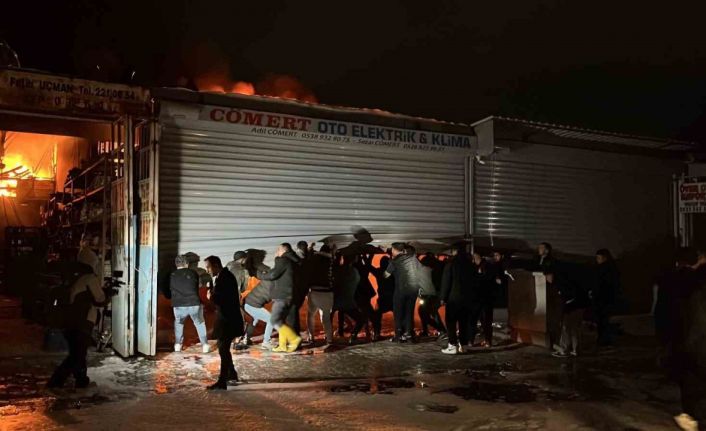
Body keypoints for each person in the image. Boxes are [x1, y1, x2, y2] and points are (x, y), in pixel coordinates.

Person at [47, 250, 107, 389]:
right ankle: (55, 383)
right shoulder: (89, 278)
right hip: (82, 321)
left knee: (78, 353)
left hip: (68, 321)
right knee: (76, 355)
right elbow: (100, 299)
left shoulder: (71, 275)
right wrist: (108, 293)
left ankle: (81, 380)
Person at [204, 256, 243, 390]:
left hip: (228, 320)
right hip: (227, 319)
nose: (207, 270)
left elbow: (223, 300)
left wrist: (211, 296)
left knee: (223, 350)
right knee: (223, 349)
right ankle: (231, 374)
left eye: (208, 267)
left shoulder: (225, 278)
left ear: (216, 265)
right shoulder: (223, 276)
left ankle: (222, 381)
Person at [258, 243, 302, 353]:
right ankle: (282, 345)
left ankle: (293, 339)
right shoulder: (295, 261)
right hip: (291, 295)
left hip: (282, 296)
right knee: (282, 321)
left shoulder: (282, 260)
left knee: (275, 320)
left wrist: (260, 275)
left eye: (278, 250)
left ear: (283, 250)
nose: (276, 252)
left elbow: (273, 275)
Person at [168, 255, 209, 353]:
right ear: (187, 263)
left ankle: (177, 345)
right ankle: (205, 345)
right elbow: (199, 286)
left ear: (176, 264)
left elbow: (167, 290)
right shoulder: (193, 273)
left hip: (178, 305)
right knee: (199, 323)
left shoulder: (171, 274)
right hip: (193, 303)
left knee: (179, 323)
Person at [546, 264, 589, 358]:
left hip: (574, 307)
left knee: (566, 327)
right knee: (574, 328)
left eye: (547, 275)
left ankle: (564, 350)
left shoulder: (560, 283)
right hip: (579, 305)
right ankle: (576, 349)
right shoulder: (564, 279)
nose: (546, 278)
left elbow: (567, 297)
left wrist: (564, 309)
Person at [440, 243, 474, 354]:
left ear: (454, 251)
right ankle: (463, 345)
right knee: (464, 323)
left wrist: (443, 297)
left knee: (451, 322)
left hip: (453, 298)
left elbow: (446, 282)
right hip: (467, 299)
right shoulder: (470, 264)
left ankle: (452, 345)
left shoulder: (451, 264)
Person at [385, 243, 422, 342]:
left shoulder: (395, 260)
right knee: (409, 312)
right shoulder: (415, 261)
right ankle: (408, 334)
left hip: (400, 291)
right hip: (413, 291)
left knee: (398, 313)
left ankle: (398, 335)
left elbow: (386, 275)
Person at [304, 244, 335, 345]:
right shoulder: (331, 261)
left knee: (311, 315)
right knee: (326, 317)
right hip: (328, 293)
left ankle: (311, 337)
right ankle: (329, 339)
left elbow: (308, 263)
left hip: (315, 291)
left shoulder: (315, 259)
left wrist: (310, 249)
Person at [333, 254, 367, 344]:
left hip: (336, 300)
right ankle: (353, 336)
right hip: (348, 301)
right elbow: (357, 281)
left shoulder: (338, 270)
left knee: (340, 313)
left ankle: (339, 333)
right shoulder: (353, 271)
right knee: (361, 319)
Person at [242, 261, 275, 349]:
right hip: (252, 305)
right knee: (271, 320)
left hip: (248, 302)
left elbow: (259, 271)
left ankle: (246, 339)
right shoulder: (276, 284)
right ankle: (266, 342)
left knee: (255, 319)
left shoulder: (269, 275)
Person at [591, 249, 619, 346]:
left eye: (599, 258)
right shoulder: (604, 268)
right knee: (602, 319)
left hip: (604, 298)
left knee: (603, 319)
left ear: (605, 258)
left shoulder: (607, 269)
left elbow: (607, 285)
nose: (597, 259)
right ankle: (603, 338)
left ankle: (604, 339)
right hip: (601, 298)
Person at [418, 253, 447, 339]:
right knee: (429, 311)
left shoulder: (430, 269)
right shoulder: (438, 266)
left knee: (427, 311)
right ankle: (437, 330)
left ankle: (441, 330)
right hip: (435, 293)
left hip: (432, 294)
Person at [470, 252, 494, 347]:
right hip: (482, 298)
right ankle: (486, 340)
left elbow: (485, 280)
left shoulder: (485, 267)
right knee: (482, 321)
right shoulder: (481, 266)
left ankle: (474, 340)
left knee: (482, 321)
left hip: (482, 298)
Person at [372, 253, 395, 341]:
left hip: (383, 299)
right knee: (400, 315)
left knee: (377, 316)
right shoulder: (392, 272)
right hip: (392, 299)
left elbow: (369, 267)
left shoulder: (379, 272)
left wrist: (368, 256)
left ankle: (376, 334)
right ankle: (402, 332)